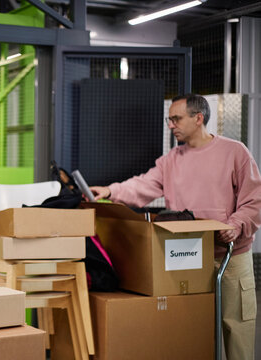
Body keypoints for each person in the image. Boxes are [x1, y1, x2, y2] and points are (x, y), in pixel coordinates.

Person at [90, 94, 261, 360]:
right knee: (192, 328)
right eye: (169, 119)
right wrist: (110, 191)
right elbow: (142, 185)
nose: (171, 125)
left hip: (228, 257)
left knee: (236, 327)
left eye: (176, 119)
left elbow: (254, 201)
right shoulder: (171, 160)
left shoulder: (234, 152)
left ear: (198, 118)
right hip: (187, 257)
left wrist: (236, 226)